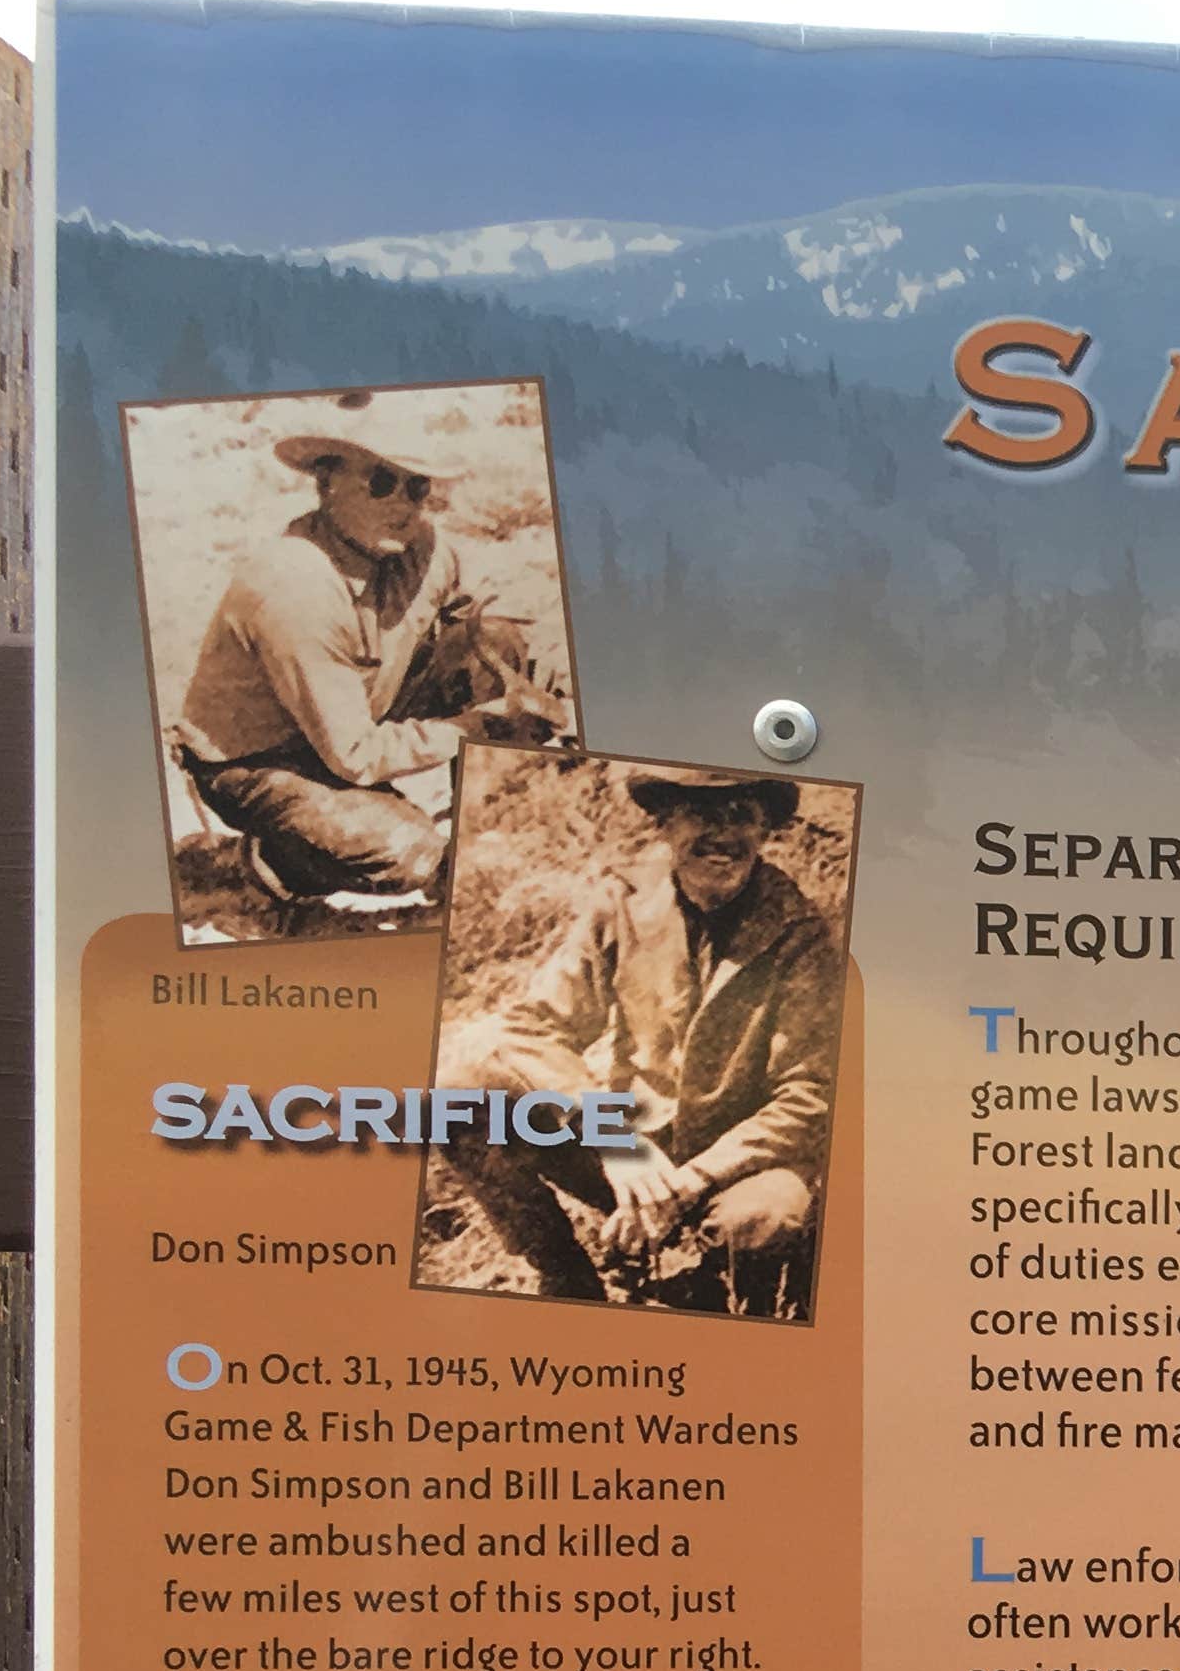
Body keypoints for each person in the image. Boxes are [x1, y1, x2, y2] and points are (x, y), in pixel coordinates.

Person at [438, 767, 843, 1319]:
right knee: (459, 1097)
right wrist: (612, 1137)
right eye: (701, 815)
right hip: (637, 1151)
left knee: (762, 1220)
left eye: (741, 816)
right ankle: (566, 1280)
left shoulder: (800, 932)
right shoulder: (623, 901)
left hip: (735, 1167)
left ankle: (704, 1287)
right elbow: (528, 1027)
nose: (722, 837)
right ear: (664, 824)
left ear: (765, 829)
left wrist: (695, 1178)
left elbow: (809, 1095)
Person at [172, 407, 560, 902]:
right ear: (326, 484)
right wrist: (482, 728)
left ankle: (484, 829)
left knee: (498, 643)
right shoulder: (296, 586)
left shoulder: (418, 545)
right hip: (262, 762)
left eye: (416, 487)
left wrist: (528, 683)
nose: (402, 504)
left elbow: (482, 610)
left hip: (362, 710)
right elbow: (353, 756)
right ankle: (270, 862)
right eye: (380, 482)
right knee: (410, 853)